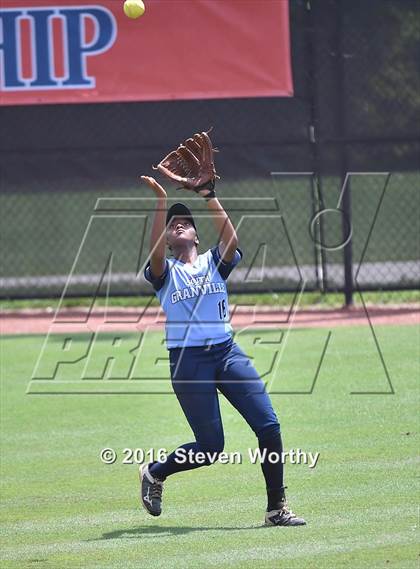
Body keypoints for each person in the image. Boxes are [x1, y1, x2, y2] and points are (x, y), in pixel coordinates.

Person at [139, 174, 306, 527]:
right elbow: (154, 250)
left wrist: (207, 195)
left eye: (185, 223)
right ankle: (155, 473)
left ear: (197, 235)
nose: (179, 226)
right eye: (173, 225)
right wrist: (160, 203)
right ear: (168, 240)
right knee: (211, 447)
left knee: (269, 425)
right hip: (188, 362)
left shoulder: (214, 262)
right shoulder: (165, 272)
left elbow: (232, 239)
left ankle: (276, 509)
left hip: (227, 353)